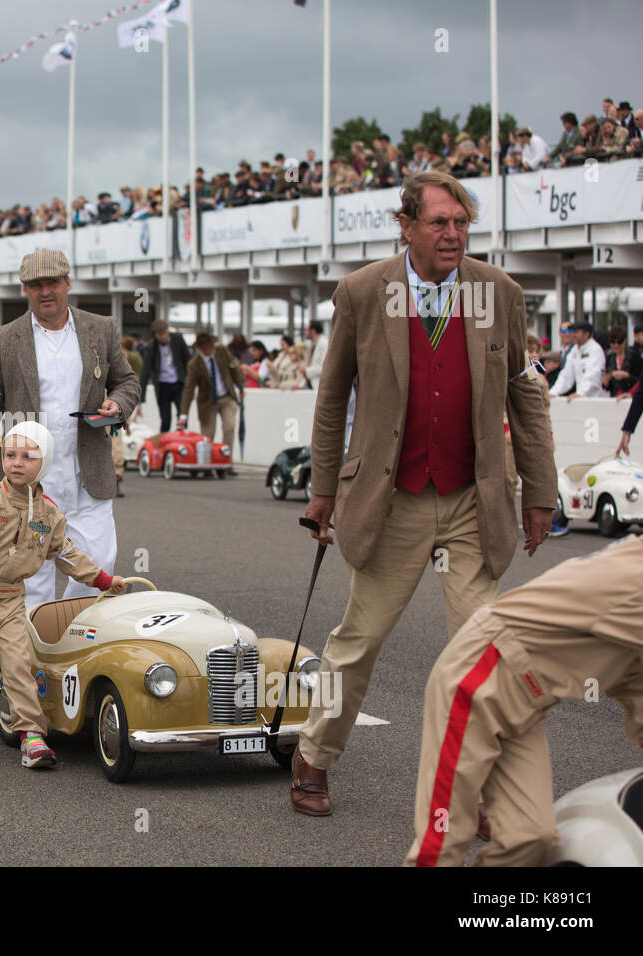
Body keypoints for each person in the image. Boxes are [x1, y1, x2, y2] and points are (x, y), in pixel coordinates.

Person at [288, 171, 557, 819]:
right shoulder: (360, 293)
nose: (453, 234)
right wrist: (323, 490)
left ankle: (499, 794)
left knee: (484, 652)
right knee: (359, 640)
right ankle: (314, 756)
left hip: (473, 500)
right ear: (405, 227)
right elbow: (331, 401)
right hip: (393, 500)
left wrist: (540, 490)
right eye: (439, 222)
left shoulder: (500, 292)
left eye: (461, 223)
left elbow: (525, 390)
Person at [405, 536, 643, 866]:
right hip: (478, 680)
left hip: (524, 702)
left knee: (530, 838)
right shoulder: (635, 579)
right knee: (442, 845)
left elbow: (634, 682)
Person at [0, 421, 126, 766]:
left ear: (44, 462)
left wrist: (103, 580)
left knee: (21, 666)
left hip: (11, 599)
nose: (17, 463)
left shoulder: (48, 514)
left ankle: (32, 735)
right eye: (10, 455)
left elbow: (67, 554)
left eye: (28, 457)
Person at [0, 249, 140, 609]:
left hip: (90, 473)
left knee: (98, 567)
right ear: (24, 290)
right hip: (30, 480)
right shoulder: (1, 339)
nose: (45, 292)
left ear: (67, 283)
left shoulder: (100, 329)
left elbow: (128, 382)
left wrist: (118, 405)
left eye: (52, 282)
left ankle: (71, 643)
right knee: (32, 576)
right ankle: (28, 659)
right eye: (35, 285)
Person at [177, 332, 245, 471]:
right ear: (202, 349)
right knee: (207, 434)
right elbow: (188, 390)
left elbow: (234, 369)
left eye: (212, 345)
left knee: (229, 427)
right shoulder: (194, 364)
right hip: (207, 402)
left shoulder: (221, 351)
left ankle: (227, 462)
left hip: (226, 396)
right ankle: (207, 464)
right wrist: (183, 414)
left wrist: (240, 387)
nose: (212, 349)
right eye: (208, 347)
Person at [138, 318, 190, 432]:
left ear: (168, 331)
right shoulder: (151, 347)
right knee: (165, 420)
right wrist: (140, 400)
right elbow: (145, 372)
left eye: (165, 333)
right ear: (155, 335)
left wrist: (190, 383)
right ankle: (164, 446)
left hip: (179, 384)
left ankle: (182, 445)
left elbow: (188, 361)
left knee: (182, 418)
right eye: (160, 334)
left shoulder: (178, 339)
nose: (163, 336)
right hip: (162, 387)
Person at [548, 320, 606, 398]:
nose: (573, 334)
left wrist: (580, 393)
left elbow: (592, 375)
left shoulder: (595, 349)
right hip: (580, 399)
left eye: (576, 332)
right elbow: (566, 376)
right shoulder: (574, 350)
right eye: (573, 331)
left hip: (595, 399)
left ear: (586, 334)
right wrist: (553, 392)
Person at [303, 321, 328, 387]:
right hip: (311, 384)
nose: (304, 333)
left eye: (306, 330)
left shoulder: (324, 344)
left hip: (319, 384)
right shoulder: (312, 345)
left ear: (313, 331)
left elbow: (325, 368)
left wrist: (306, 370)